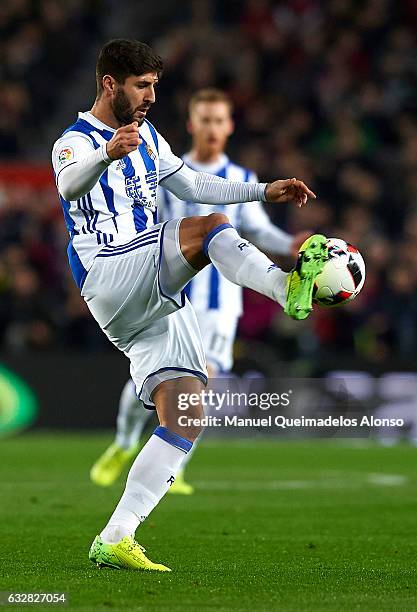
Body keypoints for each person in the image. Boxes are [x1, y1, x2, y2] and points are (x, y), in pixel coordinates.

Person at [52, 39, 327, 572]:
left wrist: (262, 190)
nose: (152, 95)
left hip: (145, 296)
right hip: (109, 270)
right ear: (111, 84)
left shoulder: (150, 135)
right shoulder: (76, 137)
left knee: (186, 411)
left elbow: (193, 182)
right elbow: (67, 184)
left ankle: (116, 535)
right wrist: (107, 153)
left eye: (155, 85)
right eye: (142, 85)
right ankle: (284, 288)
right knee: (207, 231)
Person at [90, 88, 310, 493]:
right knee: (147, 379)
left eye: (218, 120)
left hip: (220, 301)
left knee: (198, 382)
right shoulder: (158, 165)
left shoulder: (242, 178)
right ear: (192, 125)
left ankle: (174, 466)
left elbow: (257, 230)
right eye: (204, 120)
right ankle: (123, 443)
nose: (211, 128)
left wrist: (288, 245)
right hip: (165, 286)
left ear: (229, 127)